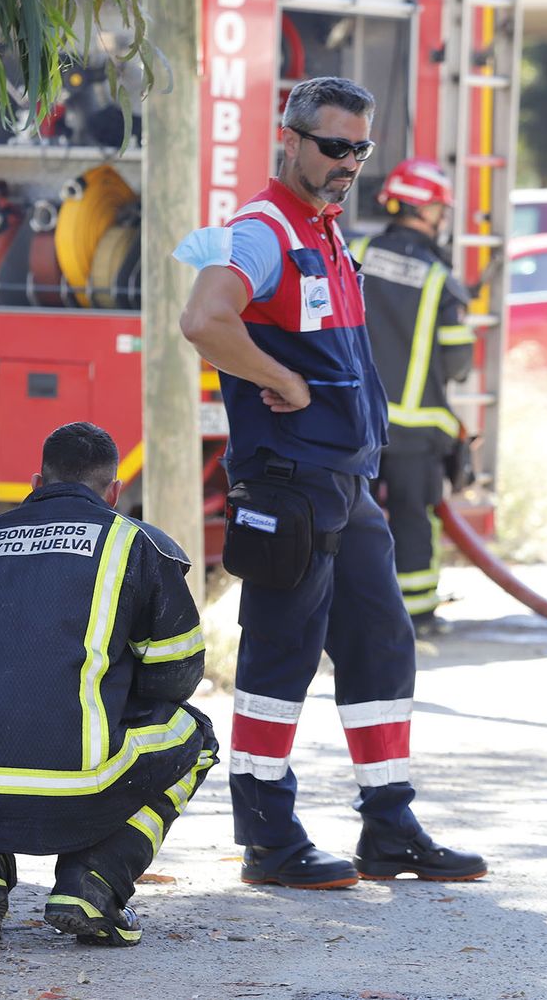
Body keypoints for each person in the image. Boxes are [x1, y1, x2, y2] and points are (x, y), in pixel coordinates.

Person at [175, 76, 487, 889]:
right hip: (289, 484)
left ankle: (389, 824)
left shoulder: (324, 229)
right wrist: (284, 378)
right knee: (281, 658)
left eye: (360, 148)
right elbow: (204, 320)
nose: (348, 161)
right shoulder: (263, 229)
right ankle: (267, 838)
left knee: (382, 644)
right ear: (291, 139)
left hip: (344, 484)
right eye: (333, 146)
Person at [0, 422, 217, 947]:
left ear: (36, 481)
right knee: (195, 736)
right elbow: (176, 677)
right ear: (113, 491)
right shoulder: (137, 546)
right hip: (85, 788)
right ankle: (95, 881)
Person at [354, 158, 475, 632]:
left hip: (352, 424)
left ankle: (348, 610)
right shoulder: (441, 280)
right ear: (424, 210)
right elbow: (458, 365)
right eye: (440, 211)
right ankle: (416, 614)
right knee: (410, 520)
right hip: (414, 430)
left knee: (346, 521)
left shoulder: (353, 251)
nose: (442, 220)